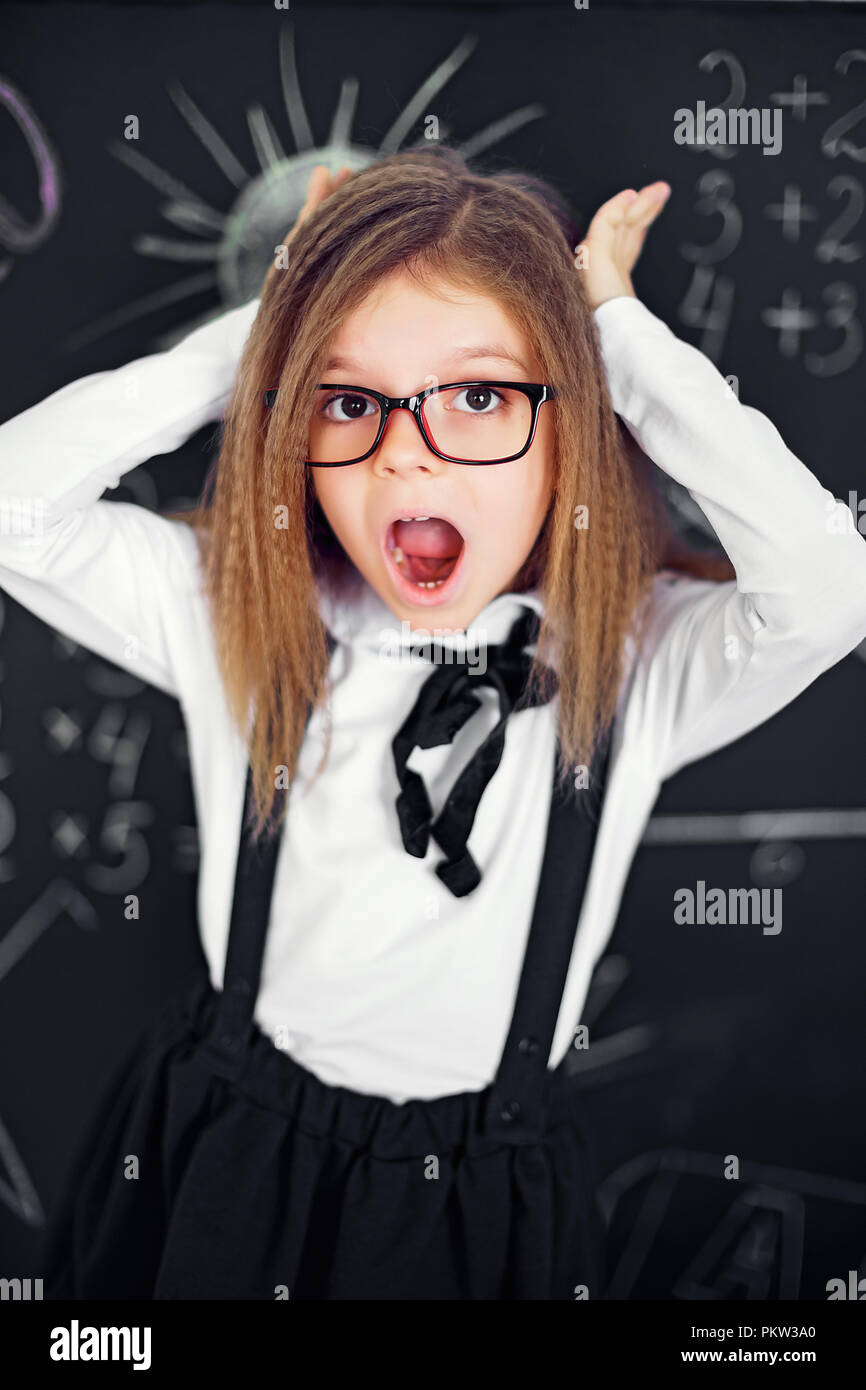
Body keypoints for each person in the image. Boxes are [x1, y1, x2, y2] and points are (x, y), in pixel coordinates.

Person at [2, 145, 865, 1300]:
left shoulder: (632, 659)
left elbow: (829, 590)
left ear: (571, 421)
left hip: (481, 1194)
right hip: (226, 1148)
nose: (406, 447)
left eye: (480, 394)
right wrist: (276, 317)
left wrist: (609, 331)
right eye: (348, 399)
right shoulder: (237, 616)